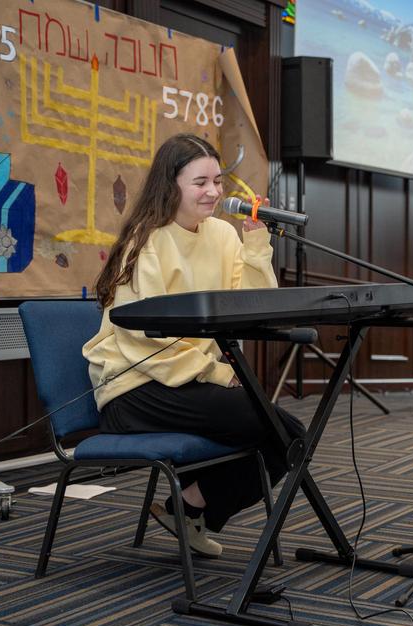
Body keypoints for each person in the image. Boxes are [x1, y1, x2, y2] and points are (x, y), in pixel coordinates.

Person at [83, 133, 306, 558]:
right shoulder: (146, 242)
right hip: (134, 389)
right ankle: (188, 508)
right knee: (280, 430)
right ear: (170, 186)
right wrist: (217, 373)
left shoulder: (221, 234)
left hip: (188, 383)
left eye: (217, 181)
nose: (214, 192)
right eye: (200, 182)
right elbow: (143, 339)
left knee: (288, 438)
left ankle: (189, 506)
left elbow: (254, 307)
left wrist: (256, 243)